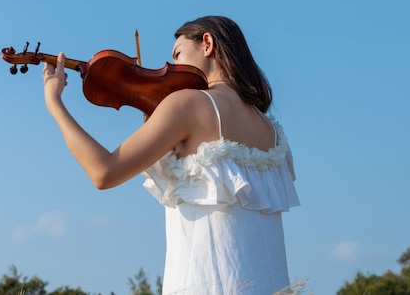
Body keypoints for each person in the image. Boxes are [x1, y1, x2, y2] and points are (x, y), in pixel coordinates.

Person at [43, 15, 300, 295]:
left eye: (177, 55)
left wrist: (54, 102)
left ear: (207, 43)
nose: (173, 68)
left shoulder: (189, 104)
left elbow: (103, 172)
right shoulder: (271, 129)